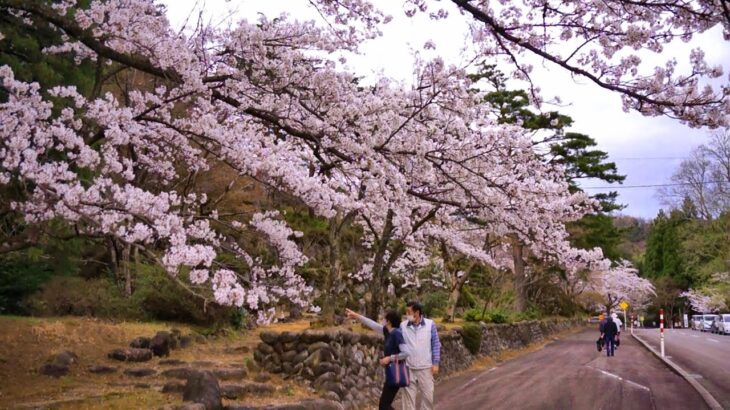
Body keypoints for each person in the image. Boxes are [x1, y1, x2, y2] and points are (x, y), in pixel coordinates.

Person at [346, 308, 410, 410]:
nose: (382, 320)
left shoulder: (397, 333)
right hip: (390, 373)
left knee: (383, 405)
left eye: (384, 318)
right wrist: (356, 316)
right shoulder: (387, 331)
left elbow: (406, 353)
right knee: (384, 405)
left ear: (389, 321)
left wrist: (389, 358)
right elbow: (372, 324)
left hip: (396, 373)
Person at [401, 301, 441, 410]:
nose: (406, 314)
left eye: (409, 312)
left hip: (426, 368)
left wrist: (435, 363)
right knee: (408, 402)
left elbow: (436, 344)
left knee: (428, 399)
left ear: (417, 313)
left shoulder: (430, 324)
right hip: (408, 368)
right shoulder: (403, 326)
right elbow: (388, 333)